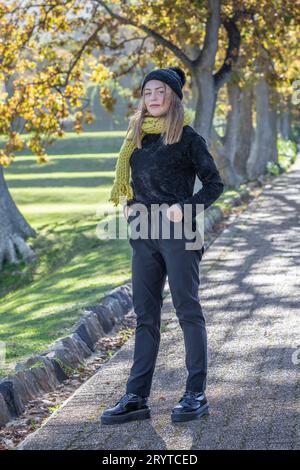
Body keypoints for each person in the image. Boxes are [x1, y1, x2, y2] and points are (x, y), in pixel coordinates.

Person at [101, 66, 224, 425]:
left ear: (173, 97)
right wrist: (131, 207)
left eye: (160, 92)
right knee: (145, 315)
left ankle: (195, 393)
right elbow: (132, 181)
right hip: (143, 231)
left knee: (187, 310)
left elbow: (214, 184)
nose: (153, 98)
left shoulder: (188, 138)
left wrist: (184, 208)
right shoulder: (135, 138)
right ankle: (136, 397)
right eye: (148, 92)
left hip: (179, 230)